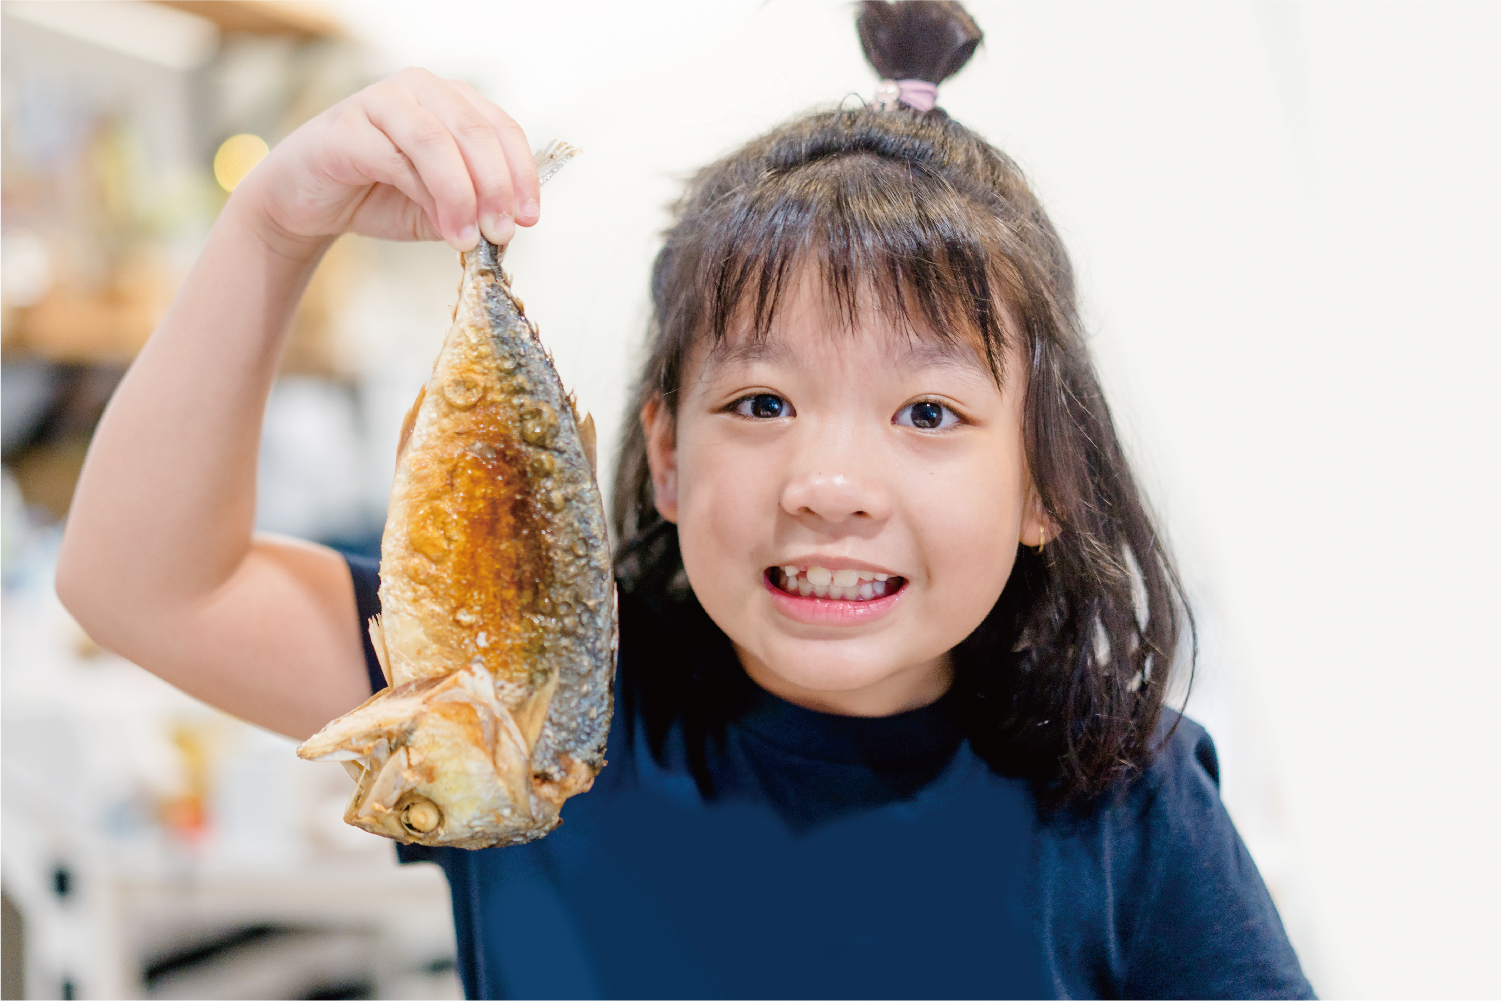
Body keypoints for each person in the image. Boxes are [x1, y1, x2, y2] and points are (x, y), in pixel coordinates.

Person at [57, 2, 1313, 997]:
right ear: (663, 455)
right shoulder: (530, 689)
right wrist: (276, 222)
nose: (829, 486)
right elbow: (148, 584)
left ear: (1046, 478)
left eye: (927, 413)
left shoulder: (1125, 794)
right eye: (760, 403)